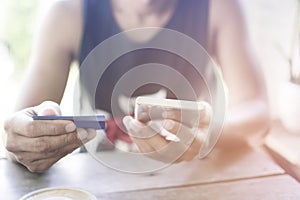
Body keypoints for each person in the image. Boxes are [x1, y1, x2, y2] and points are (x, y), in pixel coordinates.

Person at [3, 0, 269, 172]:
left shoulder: (219, 7)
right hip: (94, 178)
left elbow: (257, 110)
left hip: (185, 175)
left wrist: (209, 132)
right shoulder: (66, 13)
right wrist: (28, 140)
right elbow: (19, 132)